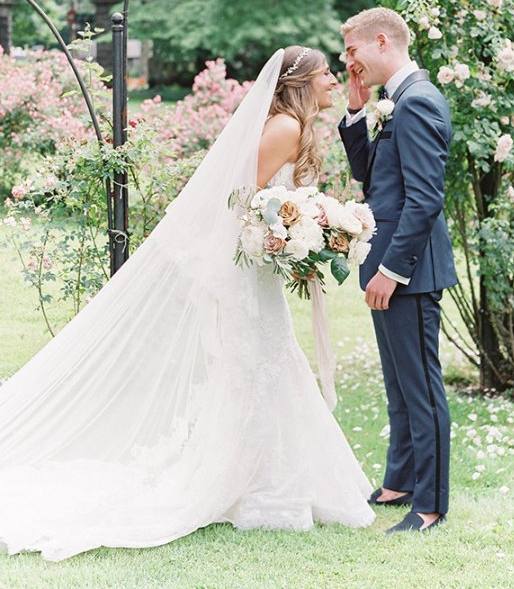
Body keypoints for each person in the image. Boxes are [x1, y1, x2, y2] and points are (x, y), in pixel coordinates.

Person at [0, 46, 374, 562]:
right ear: (301, 83)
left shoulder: (291, 126)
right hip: (244, 277)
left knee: (264, 365)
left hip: (257, 273)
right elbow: (241, 201)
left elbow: (267, 202)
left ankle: (263, 480)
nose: (333, 79)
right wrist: (289, 235)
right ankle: (251, 484)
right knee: (254, 366)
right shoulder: (286, 127)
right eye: (326, 73)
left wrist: (300, 232)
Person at [338, 8, 457, 533]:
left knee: (421, 387)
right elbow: (373, 178)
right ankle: (400, 481)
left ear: (381, 41)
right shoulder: (394, 101)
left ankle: (429, 506)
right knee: (398, 383)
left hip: (407, 270)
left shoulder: (419, 101)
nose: (349, 60)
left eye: (352, 50)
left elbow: (425, 199)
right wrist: (355, 108)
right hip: (386, 266)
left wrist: (391, 269)